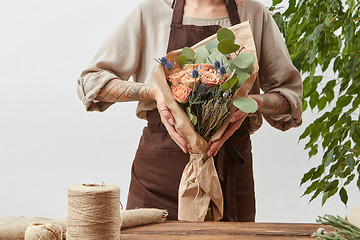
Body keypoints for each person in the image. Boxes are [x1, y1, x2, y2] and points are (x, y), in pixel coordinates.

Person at [77, 0, 302, 221]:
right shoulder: (151, 12)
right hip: (159, 175)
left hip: (229, 175)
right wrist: (153, 92)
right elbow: (91, 83)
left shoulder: (254, 13)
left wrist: (250, 102)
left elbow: (289, 99)